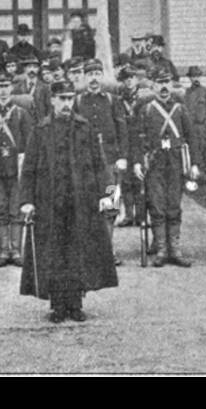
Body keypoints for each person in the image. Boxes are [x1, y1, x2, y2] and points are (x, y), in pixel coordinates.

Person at [19, 79, 119, 322]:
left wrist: (108, 194)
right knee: (54, 253)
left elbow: (100, 164)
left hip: (80, 202)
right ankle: (58, 305)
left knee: (77, 252)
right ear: (52, 100)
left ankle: (75, 303)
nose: (66, 103)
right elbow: (29, 169)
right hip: (49, 203)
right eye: (61, 98)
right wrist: (27, 201)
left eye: (69, 98)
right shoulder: (40, 130)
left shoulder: (84, 128)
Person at [133, 68, 197, 267]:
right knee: (157, 205)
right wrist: (136, 162)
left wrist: (194, 164)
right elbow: (136, 138)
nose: (163, 87)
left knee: (174, 206)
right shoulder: (147, 110)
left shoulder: (180, 109)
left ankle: (175, 250)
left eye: (167, 82)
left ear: (172, 85)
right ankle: (161, 250)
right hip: (155, 163)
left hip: (176, 162)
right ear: (153, 86)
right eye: (159, 83)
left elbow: (192, 137)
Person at [74, 60, 129, 264]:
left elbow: (122, 129)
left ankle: (107, 250)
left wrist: (123, 157)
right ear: (85, 78)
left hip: (110, 161)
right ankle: (88, 252)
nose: (94, 78)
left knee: (109, 207)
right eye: (90, 74)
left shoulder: (113, 101)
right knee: (87, 207)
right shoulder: (77, 102)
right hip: (85, 163)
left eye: (98, 73)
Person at [0, 72, 33, 266]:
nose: (3, 90)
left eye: (6, 86)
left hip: (16, 169)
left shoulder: (22, 114)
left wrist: (27, 169)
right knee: (0, 208)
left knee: (16, 210)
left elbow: (30, 144)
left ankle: (16, 251)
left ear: (12, 88)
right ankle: (3, 251)